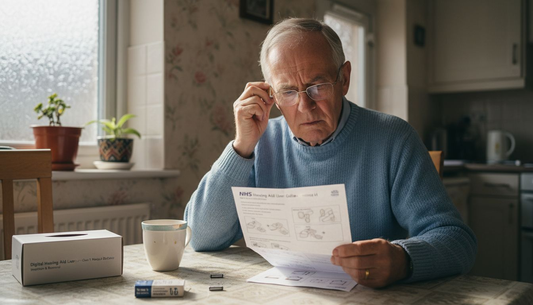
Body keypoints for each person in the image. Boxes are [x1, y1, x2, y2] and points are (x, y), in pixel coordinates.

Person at [184, 18, 477, 288]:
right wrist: (241, 147)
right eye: (288, 92)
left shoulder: (393, 138)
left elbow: (458, 241)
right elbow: (199, 237)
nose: (305, 106)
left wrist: (403, 260)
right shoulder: (261, 142)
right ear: (270, 94)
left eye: (317, 86)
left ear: (345, 79)